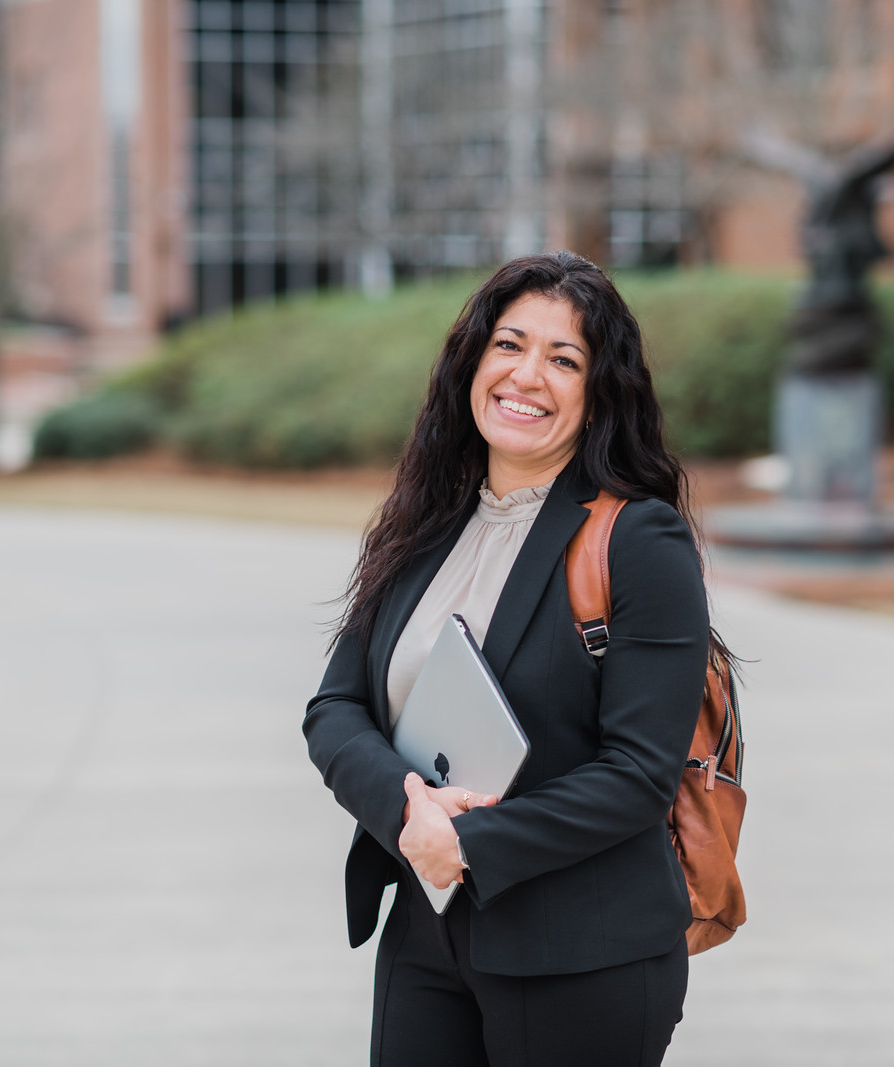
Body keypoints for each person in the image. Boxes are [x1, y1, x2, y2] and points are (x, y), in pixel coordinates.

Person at [304, 251, 717, 1066]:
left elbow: (638, 772)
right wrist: (406, 810)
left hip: (582, 951)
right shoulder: (425, 522)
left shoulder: (639, 541)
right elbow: (336, 707)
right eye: (509, 345)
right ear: (473, 361)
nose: (527, 375)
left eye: (565, 359)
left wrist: (472, 843)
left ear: (600, 393)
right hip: (426, 929)